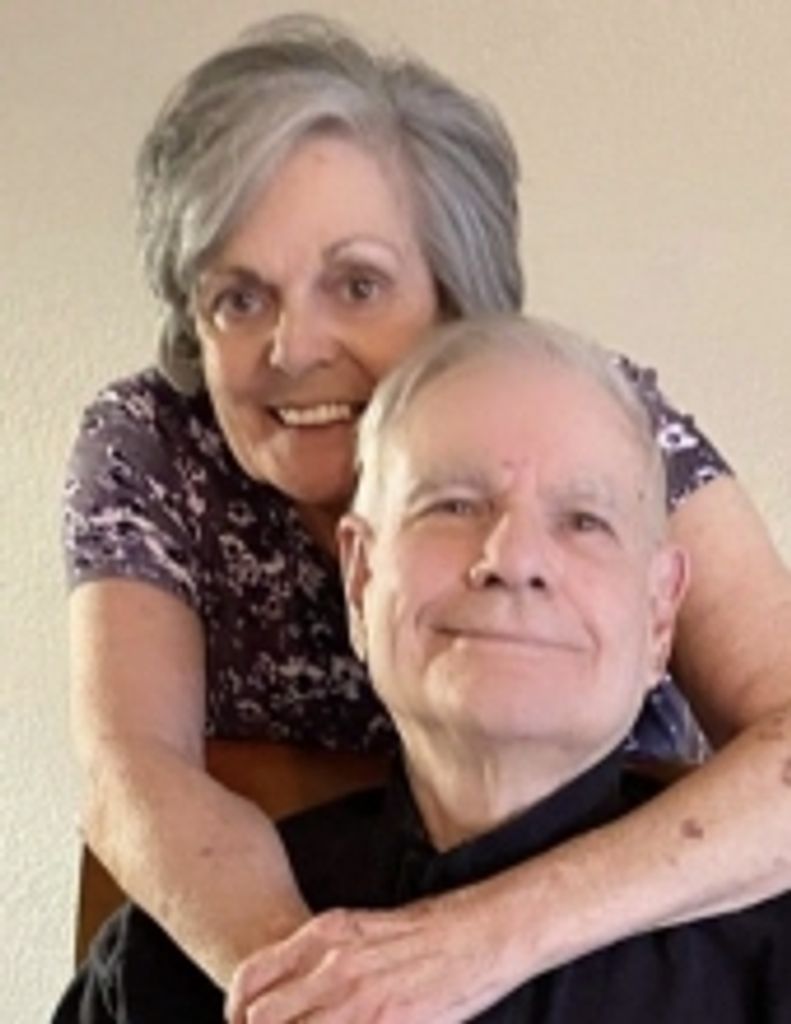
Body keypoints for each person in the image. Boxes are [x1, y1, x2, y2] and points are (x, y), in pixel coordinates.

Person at [63, 12, 791, 1021]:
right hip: (300, 900)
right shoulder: (157, 443)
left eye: (357, 284)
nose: (293, 347)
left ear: (459, 300)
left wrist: (475, 947)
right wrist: (332, 991)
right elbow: (134, 773)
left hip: (629, 912)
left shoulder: (585, 420)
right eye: (238, 298)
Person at [55, 316, 791, 1024]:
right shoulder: (164, 969)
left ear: (660, 614)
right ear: (359, 579)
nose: (512, 559)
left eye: (584, 521)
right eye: (453, 505)